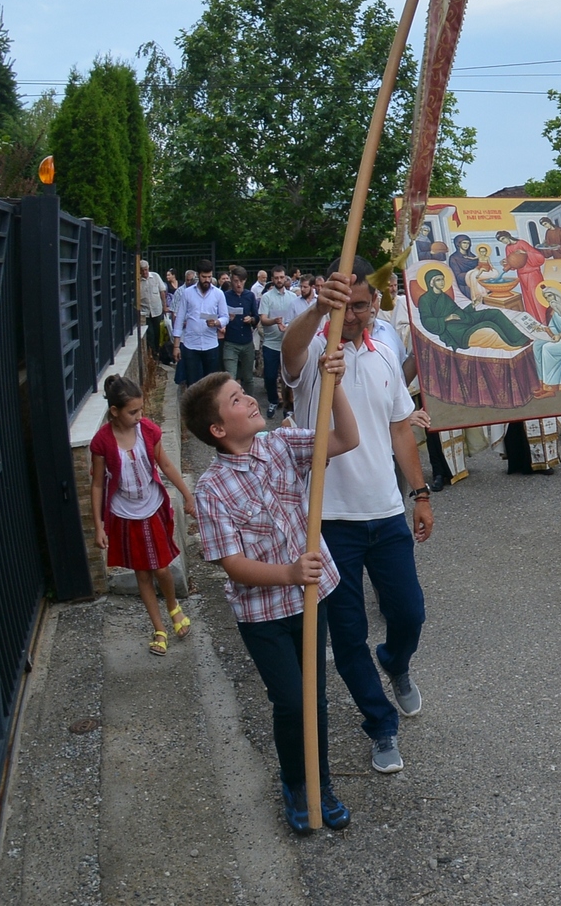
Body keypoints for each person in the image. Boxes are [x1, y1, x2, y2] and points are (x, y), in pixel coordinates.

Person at [184, 364, 359, 833]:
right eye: (238, 399)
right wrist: (288, 572)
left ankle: (319, 782)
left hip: (309, 603)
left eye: (245, 392)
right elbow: (232, 563)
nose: (250, 399)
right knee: (290, 702)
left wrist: (334, 386)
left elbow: (345, 438)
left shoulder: (280, 445)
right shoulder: (212, 489)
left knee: (315, 700)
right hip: (261, 615)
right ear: (219, 429)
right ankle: (296, 785)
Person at [282, 263, 431, 774]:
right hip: (328, 521)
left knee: (409, 613)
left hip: (386, 512)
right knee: (346, 635)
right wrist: (321, 308)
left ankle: (396, 661)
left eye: (361, 305)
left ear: (373, 307)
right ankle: (380, 725)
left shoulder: (385, 352)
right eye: (345, 306)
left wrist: (422, 493)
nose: (353, 316)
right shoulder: (316, 360)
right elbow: (288, 352)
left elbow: (399, 432)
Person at [89, 374, 198, 656]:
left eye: (141, 410)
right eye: (133, 412)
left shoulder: (148, 431)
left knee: (161, 567)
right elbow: (98, 483)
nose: (140, 416)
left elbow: (166, 465)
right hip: (124, 515)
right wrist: (99, 526)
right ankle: (159, 627)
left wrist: (187, 495)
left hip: (151, 507)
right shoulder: (101, 442)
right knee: (142, 574)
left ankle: (173, 606)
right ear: (114, 412)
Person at [415, 268, 529, 350]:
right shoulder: (425, 300)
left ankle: (520, 338)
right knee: (488, 323)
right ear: (431, 282)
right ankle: (512, 343)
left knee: (495, 312)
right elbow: (426, 321)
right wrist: (446, 318)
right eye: (438, 280)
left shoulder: (444, 296)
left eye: (442, 279)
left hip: (464, 318)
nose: (442, 282)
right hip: (451, 327)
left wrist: (472, 305)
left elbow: (459, 311)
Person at [172, 260, 227, 387]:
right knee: (193, 383)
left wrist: (217, 322)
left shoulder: (218, 294)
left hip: (211, 343)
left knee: (211, 384)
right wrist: (176, 346)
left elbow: (225, 316)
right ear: (198, 275)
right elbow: (179, 319)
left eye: (209, 277)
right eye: (204, 277)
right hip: (191, 345)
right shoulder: (187, 293)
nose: (207, 280)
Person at [258, 266, 304, 418]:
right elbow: (263, 319)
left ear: (285, 278)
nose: (279, 280)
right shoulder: (267, 297)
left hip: (288, 343)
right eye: (276, 278)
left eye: (281, 277)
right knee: (270, 376)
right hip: (271, 343)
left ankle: (288, 406)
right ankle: (273, 400)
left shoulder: (292, 297)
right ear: (272, 279)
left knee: (289, 377)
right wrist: (274, 321)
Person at [495, 229, 549, 322]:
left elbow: (539, 257)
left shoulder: (521, 243)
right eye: (501, 240)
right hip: (522, 275)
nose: (503, 241)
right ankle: (535, 320)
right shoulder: (508, 248)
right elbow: (513, 263)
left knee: (537, 297)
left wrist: (525, 253)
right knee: (528, 299)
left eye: (503, 238)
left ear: (507, 236)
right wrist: (505, 262)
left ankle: (545, 319)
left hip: (533, 274)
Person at [222, 265, 259, 395]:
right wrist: (227, 318)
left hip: (247, 341)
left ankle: (250, 402)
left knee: (248, 378)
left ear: (245, 281)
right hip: (231, 341)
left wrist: (252, 319)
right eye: (236, 281)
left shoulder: (249, 295)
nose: (238, 284)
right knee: (230, 377)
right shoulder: (225, 296)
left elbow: (256, 316)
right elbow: (219, 317)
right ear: (231, 281)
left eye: (241, 281)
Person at [139, 260, 168, 362]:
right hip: (145, 312)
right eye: (142, 271)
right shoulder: (138, 281)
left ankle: (158, 352)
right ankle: (152, 353)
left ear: (148, 268)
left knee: (158, 333)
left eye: (146, 270)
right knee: (149, 334)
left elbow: (162, 291)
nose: (145, 272)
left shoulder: (155, 276)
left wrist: (164, 306)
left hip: (157, 310)